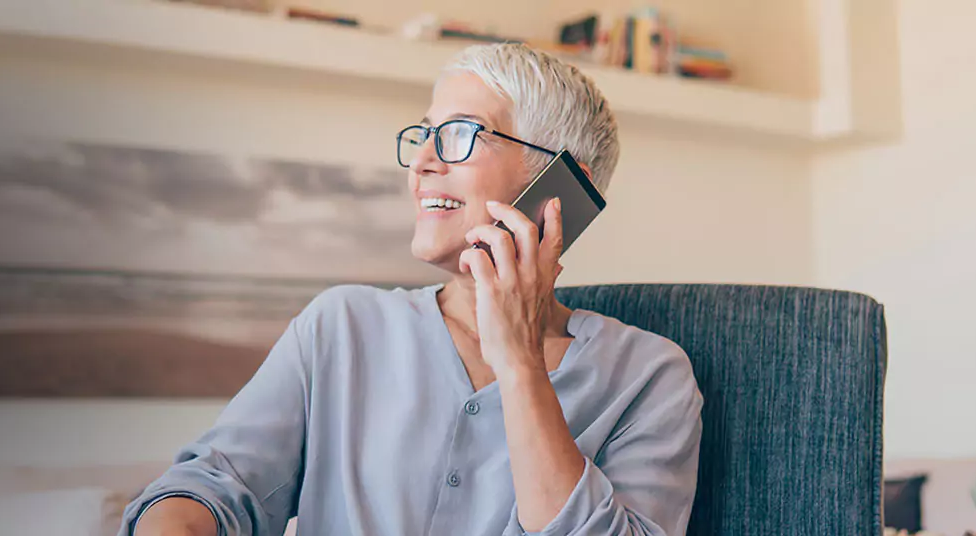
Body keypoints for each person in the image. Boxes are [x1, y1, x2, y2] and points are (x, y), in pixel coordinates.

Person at [122, 42, 702, 536]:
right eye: (424, 134)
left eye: (457, 134)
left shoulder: (648, 377)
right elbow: (213, 486)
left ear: (557, 184)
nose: (421, 161)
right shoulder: (341, 327)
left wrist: (521, 366)